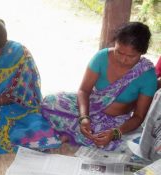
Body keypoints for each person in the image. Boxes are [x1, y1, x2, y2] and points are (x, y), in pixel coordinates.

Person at [42, 22, 157, 151]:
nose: (123, 59)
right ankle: (76, 131)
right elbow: (84, 91)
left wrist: (115, 133)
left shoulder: (147, 75)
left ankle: (70, 133)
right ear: (115, 44)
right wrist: (84, 117)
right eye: (119, 52)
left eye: (131, 56)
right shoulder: (102, 57)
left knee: (107, 141)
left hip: (114, 121)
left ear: (143, 52)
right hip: (89, 107)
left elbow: (138, 117)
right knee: (50, 102)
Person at [0, 19, 60, 154]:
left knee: (36, 128)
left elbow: (23, 95)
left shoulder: (19, 55)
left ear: (4, 47)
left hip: (13, 104)